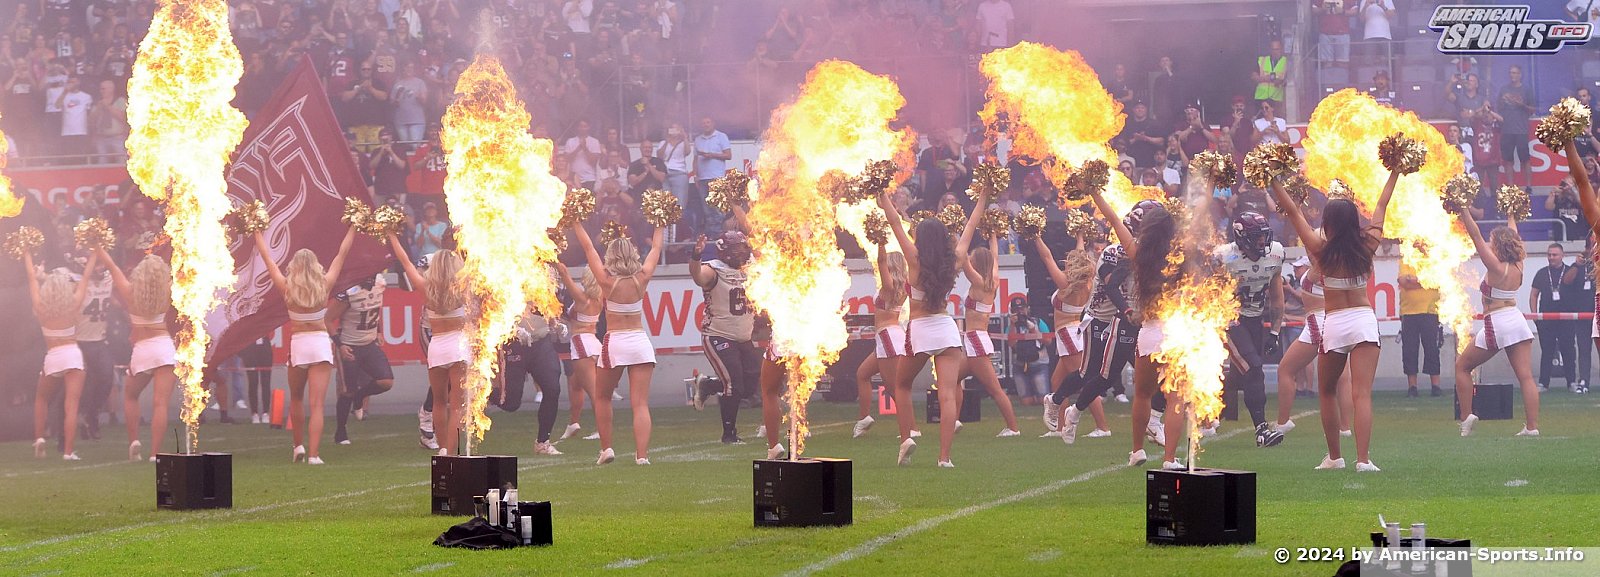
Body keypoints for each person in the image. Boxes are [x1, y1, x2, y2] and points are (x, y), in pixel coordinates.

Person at [1267, 164, 1398, 471]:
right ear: (1354, 221)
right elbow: (1382, 205)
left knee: (1326, 391)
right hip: (1364, 320)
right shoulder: (1367, 246)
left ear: (1327, 223)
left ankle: (1335, 457)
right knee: (1361, 393)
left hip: (1335, 322)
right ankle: (1363, 460)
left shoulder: (1319, 250)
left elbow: (1293, 212)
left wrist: (1272, 180)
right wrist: (1395, 172)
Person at [876, 185, 979, 467]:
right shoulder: (953, 260)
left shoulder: (914, 259)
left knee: (901, 385)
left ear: (920, 238)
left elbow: (895, 222)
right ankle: (944, 457)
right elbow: (971, 226)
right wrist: (982, 196)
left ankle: (906, 438)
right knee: (947, 395)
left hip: (920, 330)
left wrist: (882, 194)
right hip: (946, 329)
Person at [1083, 193, 1185, 469]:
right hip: (1176, 330)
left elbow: (1114, 220)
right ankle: (1169, 459)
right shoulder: (1181, 255)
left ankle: (1137, 450)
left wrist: (1095, 192)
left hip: (1149, 331)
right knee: (1176, 397)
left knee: (1142, 394)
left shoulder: (1139, 255)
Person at [253, 222, 357, 464]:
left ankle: (298, 445)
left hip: (299, 344)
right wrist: (353, 226)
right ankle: (314, 455)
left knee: (296, 397)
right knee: (317, 404)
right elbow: (342, 254)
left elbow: (268, 258)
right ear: (315, 266)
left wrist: (256, 232)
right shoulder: (325, 283)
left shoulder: (286, 286)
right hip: (319, 343)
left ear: (295, 267)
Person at [570, 222, 666, 465]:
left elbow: (589, 248)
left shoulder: (606, 280)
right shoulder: (642, 277)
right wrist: (660, 223)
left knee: (602, 397)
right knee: (640, 403)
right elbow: (656, 248)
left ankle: (606, 448)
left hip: (615, 342)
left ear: (611, 256)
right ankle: (642, 456)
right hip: (640, 341)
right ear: (633, 254)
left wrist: (576, 222)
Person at [1454, 210, 1539, 437]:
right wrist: (1511, 214)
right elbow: (1514, 234)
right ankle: (1532, 427)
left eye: (1492, 242)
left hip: (1497, 322)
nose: (1489, 245)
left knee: (1462, 367)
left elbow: (1475, 235)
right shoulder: (1519, 264)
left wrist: (1464, 210)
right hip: (1516, 319)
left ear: (1498, 246)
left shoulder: (1495, 266)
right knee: (1526, 377)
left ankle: (1466, 416)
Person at [389, 229, 468, 455]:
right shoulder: (464, 286)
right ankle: (451, 451)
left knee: (439, 402)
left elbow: (405, 262)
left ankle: (442, 447)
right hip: (459, 347)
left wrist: (393, 236)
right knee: (457, 406)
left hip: (437, 347)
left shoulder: (426, 288)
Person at [1214, 211, 1285, 447]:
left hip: (1255, 320)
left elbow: (1277, 297)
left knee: (1240, 375)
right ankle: (1262, 430)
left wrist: (1274, 332)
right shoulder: (1224, 257)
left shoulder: (1275, 254)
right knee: (1254, 368)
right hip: (1229, 319)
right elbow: (1206, 294)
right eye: (1256, 237)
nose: (1262, 241)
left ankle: (1207, 406)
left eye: (1263, 236)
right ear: (1242, 238)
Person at [1035, 232, 1111, 442]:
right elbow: (1079, 253)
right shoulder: (1087, 282)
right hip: (1075, 332)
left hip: (1068, 334)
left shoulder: (1065, 284)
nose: (1066, 263)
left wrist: (1036, 236)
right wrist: (1080, 235)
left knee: (1085, 382)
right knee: (1057, 380)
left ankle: (1102, 427)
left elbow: (1047, 257)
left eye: (1069, 262)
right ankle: (1059, 427)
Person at [25, 250, 99, 460]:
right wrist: (95, 253)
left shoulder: (40, 306)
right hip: (72, 355)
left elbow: (31, 278)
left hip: (53, 355)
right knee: (71, 405)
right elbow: (86, 278)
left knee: (41, 398)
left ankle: (39, 438)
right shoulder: (73, 303)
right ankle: (68, 451)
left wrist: (27, 253)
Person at [690, 231, 759, 444]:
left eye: (742, 248)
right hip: (718, 334)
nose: (740, 253)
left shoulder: (751, 268)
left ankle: (709, 385)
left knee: (751, 384)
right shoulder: (713, 269)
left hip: (744, 337)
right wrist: (696, 256)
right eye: (735, 249)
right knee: (733, 385)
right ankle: (729, 434)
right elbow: (697, 276)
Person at [958, 205, 1021, 437]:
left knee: (995, 389)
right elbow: (994, 257)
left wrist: (956, 234)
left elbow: (961, 257)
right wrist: (993, 234)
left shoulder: (978, 283)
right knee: (951, 380)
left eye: (973, 258)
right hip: (975, 339)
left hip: (976, 340)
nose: (970, 259)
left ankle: (1013, 428)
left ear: (977, 263)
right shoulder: (992, 279)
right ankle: (953, 420)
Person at [1275, 260, 1354, 435]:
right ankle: (1345, 427)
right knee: (1343, 376)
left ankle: (1283, 422)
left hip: (1319, 321)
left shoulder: (1324, 265)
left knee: (1285, 369)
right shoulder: (1340, 265)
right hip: (1336, 319)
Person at [851, 244, 918, 440]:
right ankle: (864, 418)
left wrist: (880, 241)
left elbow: (880, 261)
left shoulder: (889, 288)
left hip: (888, 338)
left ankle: (911, 429)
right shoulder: (901, 287)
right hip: (887, 338)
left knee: (896, 388)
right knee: (862, 374)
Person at [328, 273, 395, 445]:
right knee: (347, 391)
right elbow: (327, 320)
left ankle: (359, 397)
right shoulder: (349, 292)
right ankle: (341, 432)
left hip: (369, 344)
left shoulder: (379, 284)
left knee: (386, 381)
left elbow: (374, 309)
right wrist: (340, 345)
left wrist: (378, 331)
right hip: (349, 345)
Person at [498, 297, 566, 456]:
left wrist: (556, 324)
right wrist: (513, 330)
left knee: (552, 388)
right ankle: (483, 393)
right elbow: (493, 315)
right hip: (514, 345)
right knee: (510, 403)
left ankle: (543, 441)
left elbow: (547, 309)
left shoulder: (540, 286)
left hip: (541, 343)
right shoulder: (505, 285)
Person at [555, 264, 602, 442]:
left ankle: (601, 429)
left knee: (594, 391)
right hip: (591, 343)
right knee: (575, 385)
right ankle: (573, 423)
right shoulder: (598, 298)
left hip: (582, 345)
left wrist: (555, 259)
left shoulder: (583, 299)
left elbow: (565, 275)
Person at [1530, 243, 1577, 392]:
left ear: (1562, 255)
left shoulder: (1569, 272)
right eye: (1549, 254)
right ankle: (1544, 383)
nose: (1551, 257)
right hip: (1546, 320)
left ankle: (1571, 382)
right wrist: (1535, 316)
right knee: (1547, 351)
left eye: (1554, 254)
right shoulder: (1542, 273)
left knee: (1568, 351)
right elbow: (1534, 295)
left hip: (1566, 320)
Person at [1397, 262, 1443, 397]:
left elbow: (1439, 280)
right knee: (1409, 350)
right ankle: (1412, 387)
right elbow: (1403, 282)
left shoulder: (1436, 258)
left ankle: (1435, 386)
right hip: (1408, 312)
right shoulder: (1407, 259)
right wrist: (1426, 281)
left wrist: (1412, 281)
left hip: (1430, 311)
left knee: (1432, 349)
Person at [692, 116, 732, 236]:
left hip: (717, 178)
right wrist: (695, 175)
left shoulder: (721, 136)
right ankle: (712, 236)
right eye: (703, 123)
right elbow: (695, 159)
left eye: (708, 122)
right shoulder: (698, 139)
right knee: (707, 210)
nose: (706, 124)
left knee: (718, 209)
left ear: (713, 123)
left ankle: (720, 235)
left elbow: (728, 155)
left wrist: (712, 155)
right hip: (702, 179)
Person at [1498, 66, 1536, 190]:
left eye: (1515, 73)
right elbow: (1498, 108)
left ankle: (1528, 186)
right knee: (1508, 160)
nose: (1512, 75)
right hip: (1507, 129)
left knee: (1525, 159)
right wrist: (1503, 101)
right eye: (1510, 72)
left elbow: (1533, 109)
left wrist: (1522, 105)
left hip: (1521, 130)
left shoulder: (1526, 90)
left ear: (1520, 74)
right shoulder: (1504, 89)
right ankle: (1510, 187)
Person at [1253, 40, 1288, 109]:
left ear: (1281, 49)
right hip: (1261, 98)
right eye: (1273, 49)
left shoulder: (1287, 61)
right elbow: (1253, 77)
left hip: (1276, 99)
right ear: (1270, 50)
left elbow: (1289, 81)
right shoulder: (1262, 60)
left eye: (1277, 49)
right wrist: (1266, 79)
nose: (1275, 52)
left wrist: (1280, 81)